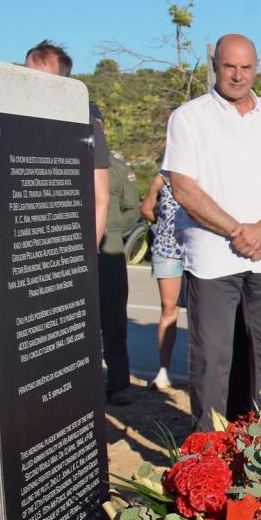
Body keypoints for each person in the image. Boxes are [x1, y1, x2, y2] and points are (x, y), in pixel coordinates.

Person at [161, 34, 261, 426]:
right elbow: (183, 188)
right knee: (211, 361)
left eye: (246, 67)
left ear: (257, 67)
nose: (238, 76)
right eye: (229, 67)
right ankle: (209, 449)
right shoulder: (188, 117)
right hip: (213, 259)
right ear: (215, 66)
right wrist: (238, 231)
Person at [22, 40, 110, 245]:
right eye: (27, 74)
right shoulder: (10, 117)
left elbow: (101, 199)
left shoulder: (85, 124)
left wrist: (89, 254)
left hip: (66, 244)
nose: (32, 82)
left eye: (42, 77)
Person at [98, 150, 142, 404]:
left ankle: (117, 383)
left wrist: (112, 231)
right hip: (73, 245)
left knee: (113, 319)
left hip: (109, 248)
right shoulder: (69, 159)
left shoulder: (116, 167)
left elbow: (132, 209)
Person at [138, 166, 185, 390]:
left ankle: (203, 373)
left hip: (199, 250)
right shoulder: (163, 178)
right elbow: (146, 209)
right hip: (167, 250)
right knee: (169, 309)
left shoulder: (203, 171)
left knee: (203, 313)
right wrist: (165, 222)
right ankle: (163, 370)